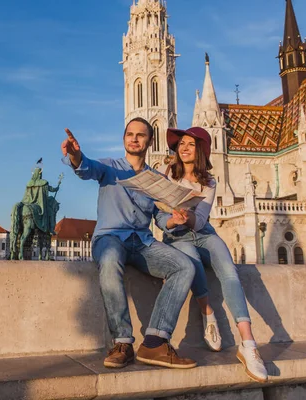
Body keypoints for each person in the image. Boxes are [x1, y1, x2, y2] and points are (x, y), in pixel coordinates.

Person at [61, 117, 201, 370]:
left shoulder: (156, 179)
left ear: (149, 141)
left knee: (184, 266)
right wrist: (75, 156)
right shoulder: (109, 167)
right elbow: (86, 168)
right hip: (110, 237)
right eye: (130, 134)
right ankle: (122, 342)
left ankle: (156, 341)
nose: (134, 138)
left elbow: (158, 217)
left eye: (141, 135)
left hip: (142, 242)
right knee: (111, 258)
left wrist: (174, 220)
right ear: (124, 139)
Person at [158, 126, 268, 383]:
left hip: (203, 231)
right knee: (192, 262)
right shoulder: (167, 175)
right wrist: (174, 220)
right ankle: (208, 313)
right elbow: (160, 215)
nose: (184, 148)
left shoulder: (209, 181)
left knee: (229, 272)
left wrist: (189, 216)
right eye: (181, 143)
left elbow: (201, 220)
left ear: (200, 152)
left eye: (190, 144)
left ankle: (248, 344)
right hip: (177, 235)